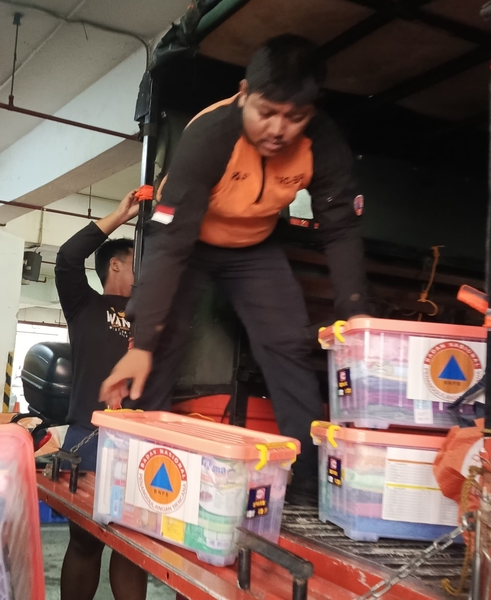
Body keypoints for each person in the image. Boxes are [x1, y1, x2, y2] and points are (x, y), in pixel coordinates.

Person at [100, 35, 369, 503]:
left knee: (288, 344)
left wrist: (356, 315)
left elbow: (341, 228)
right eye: (266, 112)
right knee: (161, 345)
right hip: (188, 241)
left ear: (311, 113)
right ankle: (144, 465)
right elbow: (169, 245)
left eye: (295, 117)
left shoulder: (322, 142)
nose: (278, 129)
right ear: (244, 93)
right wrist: (140, 344)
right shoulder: (210, 135)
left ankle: (306, 484)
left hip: (253, 248)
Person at [55, 191, 147, 600]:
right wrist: (120, 215)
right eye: (137, 262)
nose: (145, 272)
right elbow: (67, 258)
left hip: (142, 441)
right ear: (115, 264)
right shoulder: (85, 306)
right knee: (85, 543)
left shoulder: (152, 317)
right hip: (88, 438)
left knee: (132, 551)